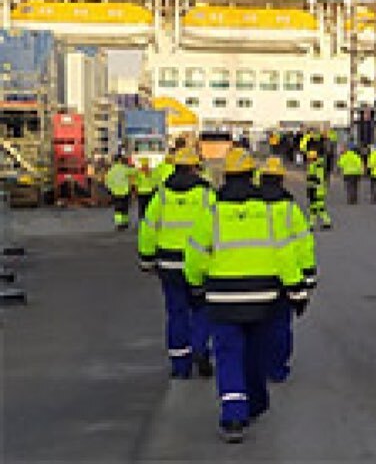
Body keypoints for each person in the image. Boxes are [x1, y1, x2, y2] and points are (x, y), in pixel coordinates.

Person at [184, 148, 307, 444]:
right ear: (253, 176)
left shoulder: (211, 214)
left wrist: (196, 285)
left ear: (225, 177)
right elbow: (285, 255)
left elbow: (195, 256)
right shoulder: (267, 214)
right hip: (264, 299)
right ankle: (254, 402)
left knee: (227, 356)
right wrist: (297, 291)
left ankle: (233, 415)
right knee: (254, 355)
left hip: (223, 301)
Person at [138, 147, 216, 379]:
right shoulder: (206, 195)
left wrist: (146, 258)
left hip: (168, 263)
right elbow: (217, 229)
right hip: (199, 263)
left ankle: (180, 366)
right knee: (202, 309)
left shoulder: (162, 194)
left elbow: (148, 228)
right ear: (195, 167)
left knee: (176, 312)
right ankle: (200, 347)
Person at [258, 157, 316, 383]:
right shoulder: (290, 209)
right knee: (280, 324)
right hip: (286, 276)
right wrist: (308, 277)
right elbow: (304, 244)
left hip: (257, 274)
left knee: (259, 326)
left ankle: (260, 364)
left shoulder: (252, 207)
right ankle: (277, 368)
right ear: (281, 180)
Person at [105, 154, 134, 231]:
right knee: (125, 208)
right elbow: (134, 172)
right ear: (120, 160)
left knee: (117, 210)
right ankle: (125, 223)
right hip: (124, 192)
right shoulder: (124, 168)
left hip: (115, 193)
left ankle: (119, 224)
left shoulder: (111, 171)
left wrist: (110, 190)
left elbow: (107, 182)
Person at [306, 150, 332, 229]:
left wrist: (311, 179)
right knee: (315, 207)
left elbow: (318, 178)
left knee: (317, 207)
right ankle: (316, 223)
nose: (308, 160)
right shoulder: (315, 165)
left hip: (317, 189)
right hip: (315, 188)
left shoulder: (317, 166)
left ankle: (317, 223)